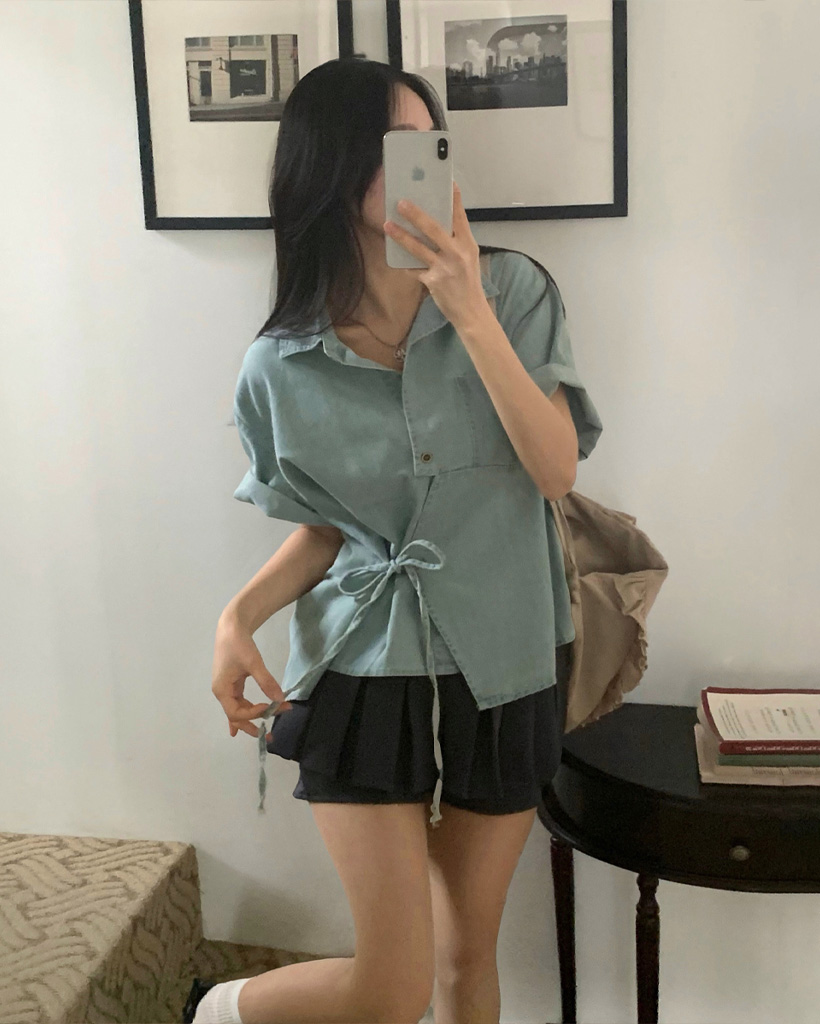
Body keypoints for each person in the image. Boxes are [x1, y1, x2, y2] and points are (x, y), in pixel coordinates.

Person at [196, 57, 602, 1024]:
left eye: (432, 142)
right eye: (399, 146)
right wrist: (236, 616)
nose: (428, 163)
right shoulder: (279, 364)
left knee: (466, 960)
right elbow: (328, 530)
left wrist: (467, 309)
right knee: (390, 990)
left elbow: (555, 470)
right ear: (334, 168)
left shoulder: (514, 291)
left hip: (504, 660)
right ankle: (220, 1010)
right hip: (360, 668)